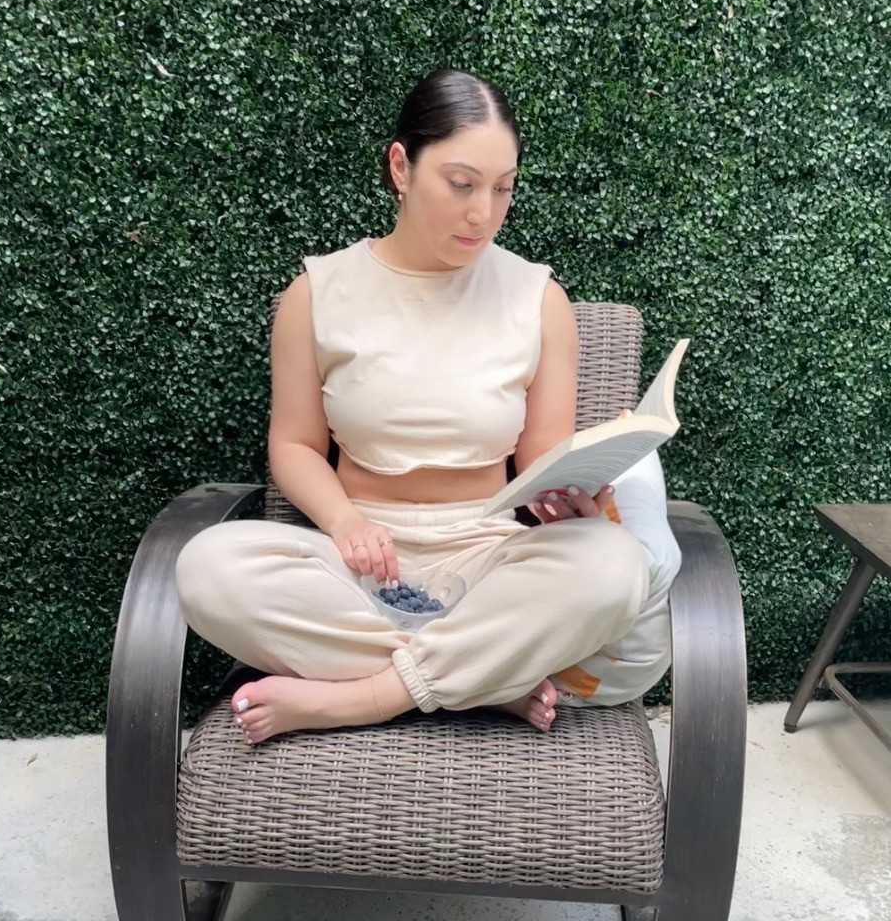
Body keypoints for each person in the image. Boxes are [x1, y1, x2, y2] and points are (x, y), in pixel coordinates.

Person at [175, 68, 681, 745]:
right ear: (401, 167)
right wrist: (345, 521)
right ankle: (486, 679)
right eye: (461, 183)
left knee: (613, 566)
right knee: (206, 570)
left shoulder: (538, 299)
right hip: (356, 564)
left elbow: (541, 458)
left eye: (502, 188)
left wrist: (571, 498)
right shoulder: (317, 294)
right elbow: (294, 444)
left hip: (486, 555)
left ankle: (363, 697)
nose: (483, 214)